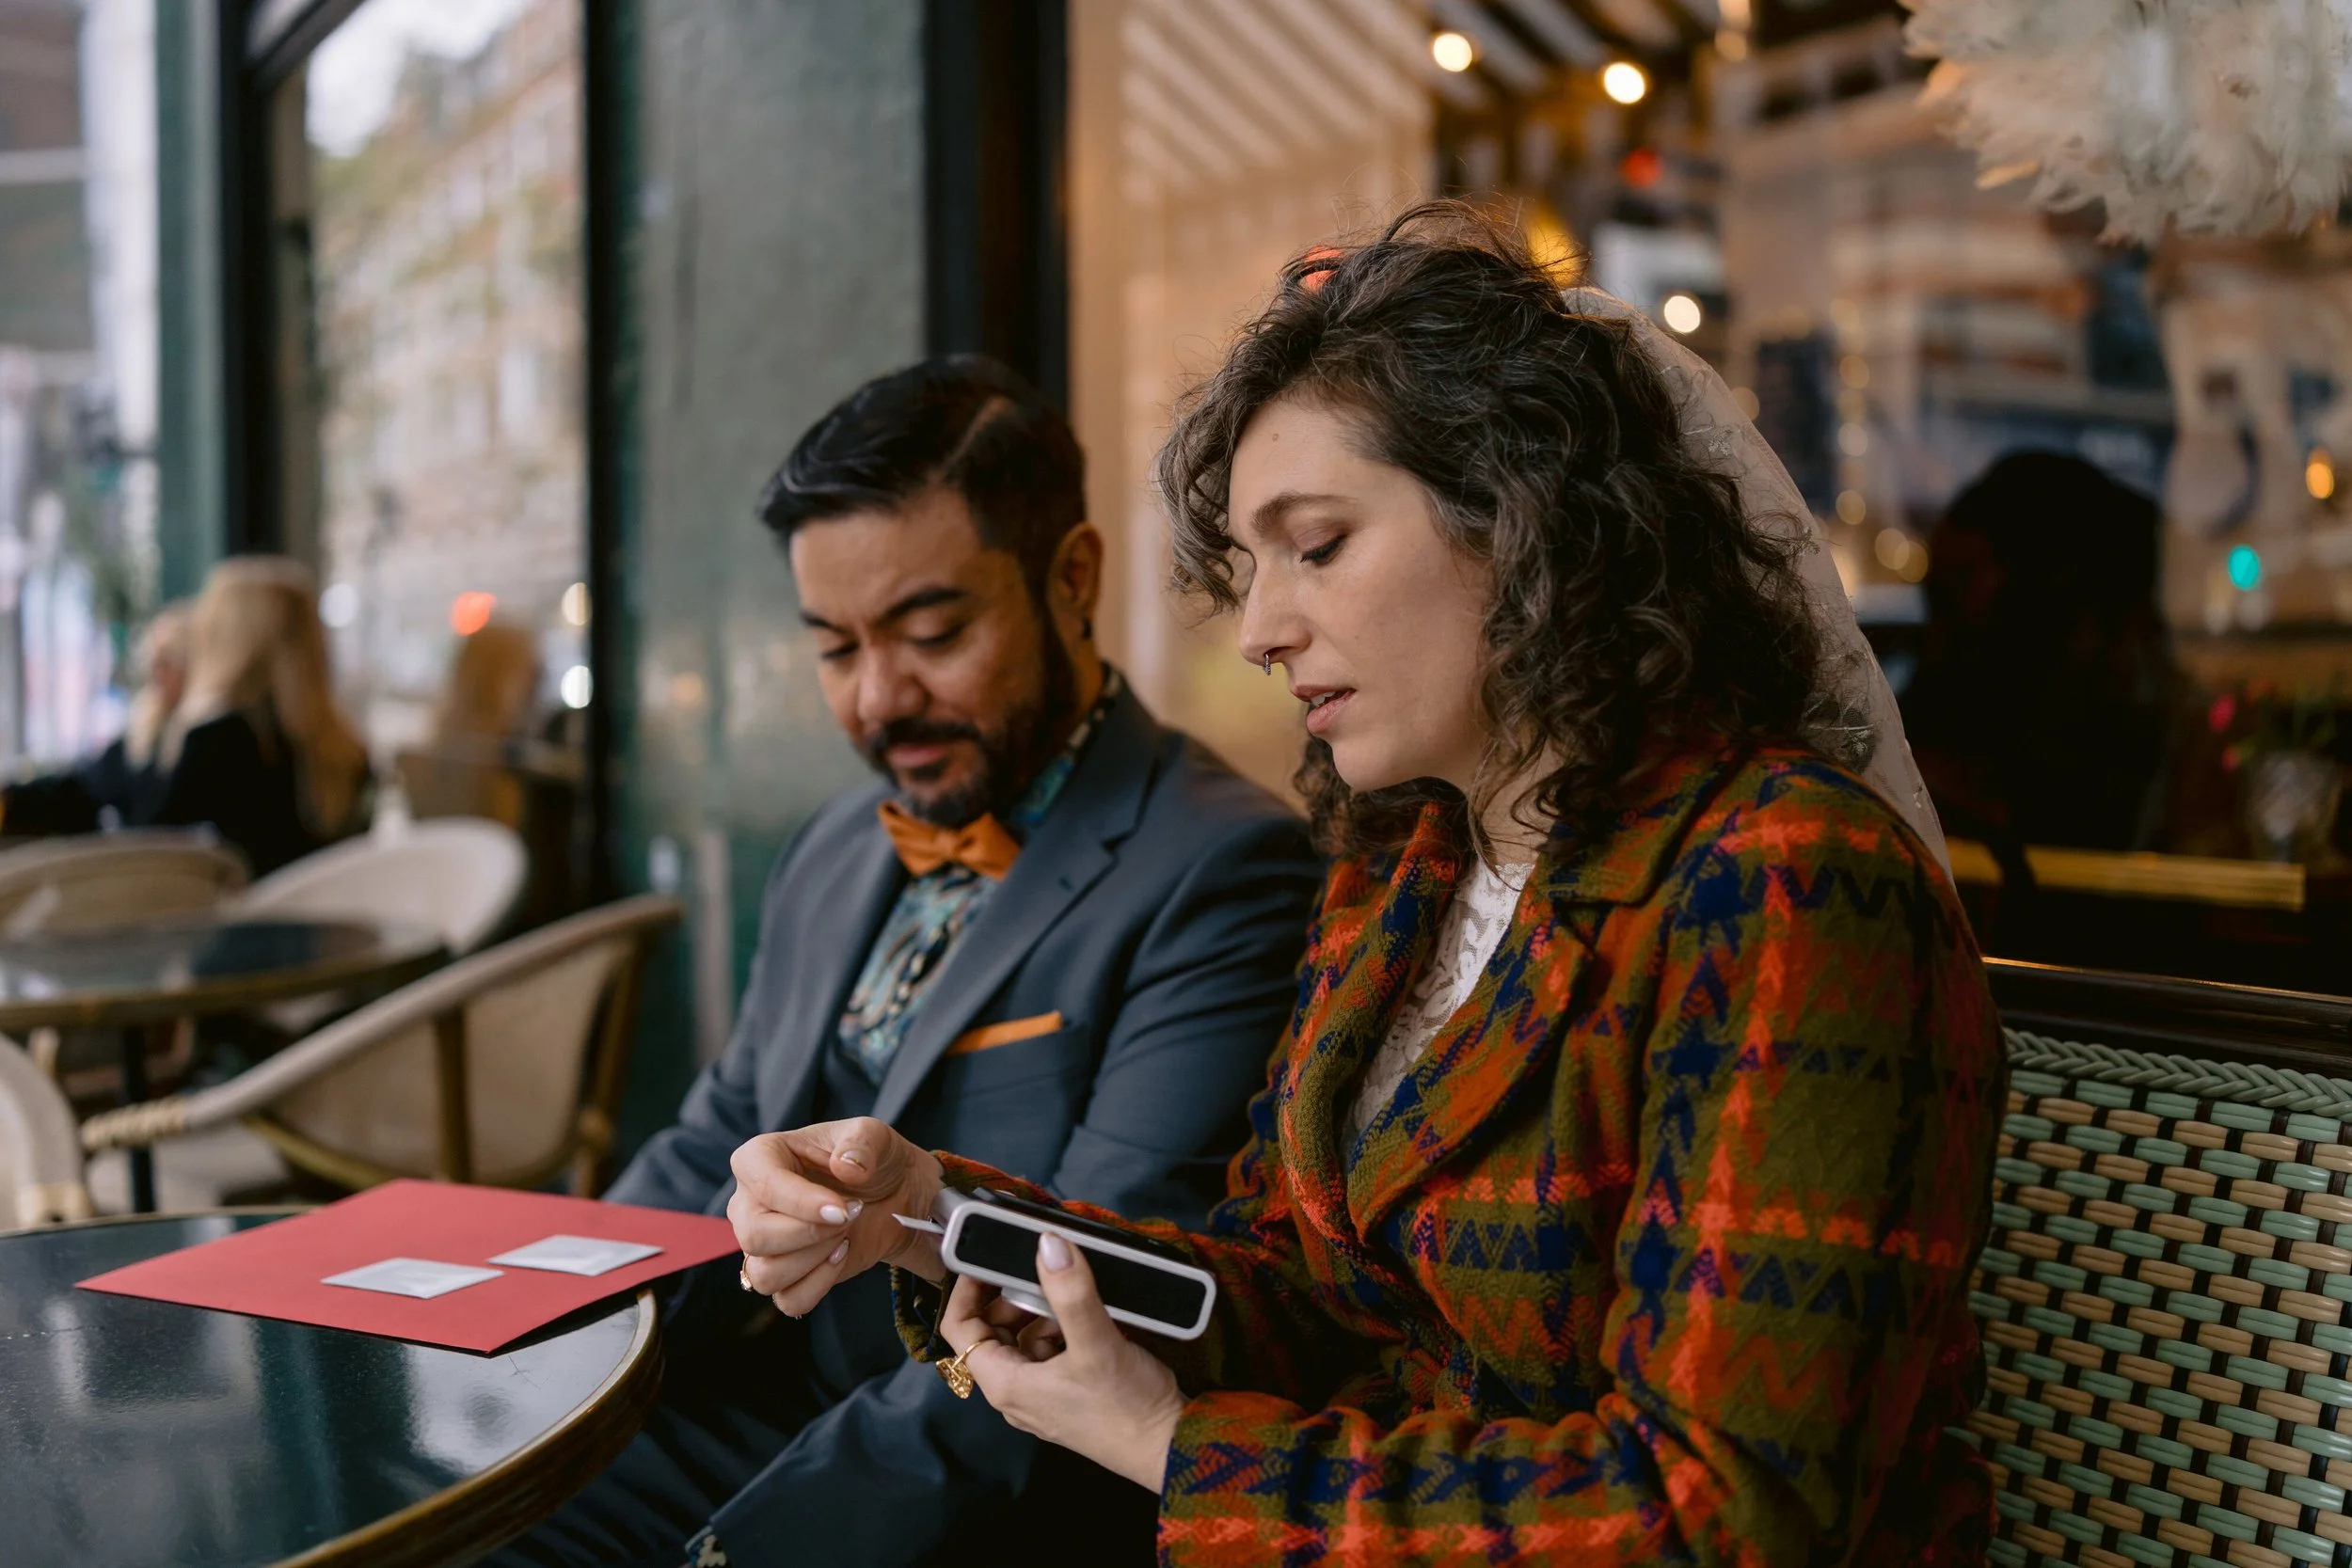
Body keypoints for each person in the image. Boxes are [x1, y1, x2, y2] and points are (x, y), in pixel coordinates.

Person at [728, 208, 2005, 1564]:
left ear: (1524, 519)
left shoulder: (1787, 887)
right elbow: (1296, 1296)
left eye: (1316, 543)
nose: (1265, 627)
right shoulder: (1410, 875)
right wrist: (934, 1214)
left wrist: (1174, 1450)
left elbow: (1723, 1517)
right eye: (1251, 562)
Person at [501, 356, 1322, 1567]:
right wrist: (528, 1330)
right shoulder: (837, 842)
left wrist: (741, 1549)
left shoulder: (1223, 869)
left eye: (932, 631)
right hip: (735, 1400)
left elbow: (1080, 1311)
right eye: (834, 647)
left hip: (968, 1481)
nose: (879, 698)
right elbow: (715, 1132)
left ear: (1072, 578)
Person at [3, 560, 369, 875]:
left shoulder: (218, 742)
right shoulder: (345, 753)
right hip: (331, 949)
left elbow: (146, 851)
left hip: (235, 948)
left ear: (224, 640)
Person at [2, 599, 190, 836]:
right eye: (153, 661)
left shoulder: (204, 742)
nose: (157, 673)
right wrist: (9, 802)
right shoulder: (145, 734)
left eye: (169, 661)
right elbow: (82, 788)